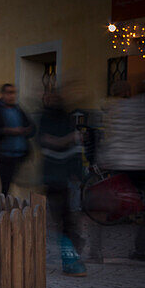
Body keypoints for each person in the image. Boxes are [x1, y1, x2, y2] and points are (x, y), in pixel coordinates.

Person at [101, 80, 145, 267]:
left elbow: (119, 136)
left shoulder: (128, 108)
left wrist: (110, 158)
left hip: (134, 166)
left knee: (140, 207)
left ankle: (140, 249)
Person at [38, 87, 86, 276]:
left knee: (67, 217)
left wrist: (77, 172)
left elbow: (73, 149)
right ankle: (70, 258)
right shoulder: (46, 119)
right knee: (63, 218)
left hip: (65, 177)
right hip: (54, 177)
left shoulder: (64, 118)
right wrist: (70, 138)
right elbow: (47, 141)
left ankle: (71, 256)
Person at [0, 83, 34, 195]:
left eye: (14, 93)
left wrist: (27, 130)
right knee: (5, 186)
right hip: (4, 155)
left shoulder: (19, 110)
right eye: (9, 93)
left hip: (20, 155)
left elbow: (31, 126)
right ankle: (4, 209)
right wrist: (8, 131)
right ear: (3, 94)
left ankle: (21, 209)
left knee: (24, 185)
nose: (12, 96)